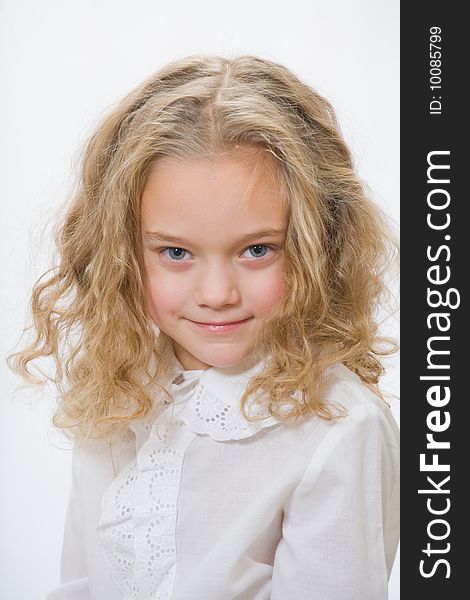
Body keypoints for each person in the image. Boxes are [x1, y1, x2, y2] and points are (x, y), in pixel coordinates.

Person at [9, 54, 399, 599]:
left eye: (257, 250)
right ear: (123, 252)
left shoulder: (337, 427)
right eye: (176, 252)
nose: (217, 294)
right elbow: (81, 584)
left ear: (317, 246)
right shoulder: (120, 390)